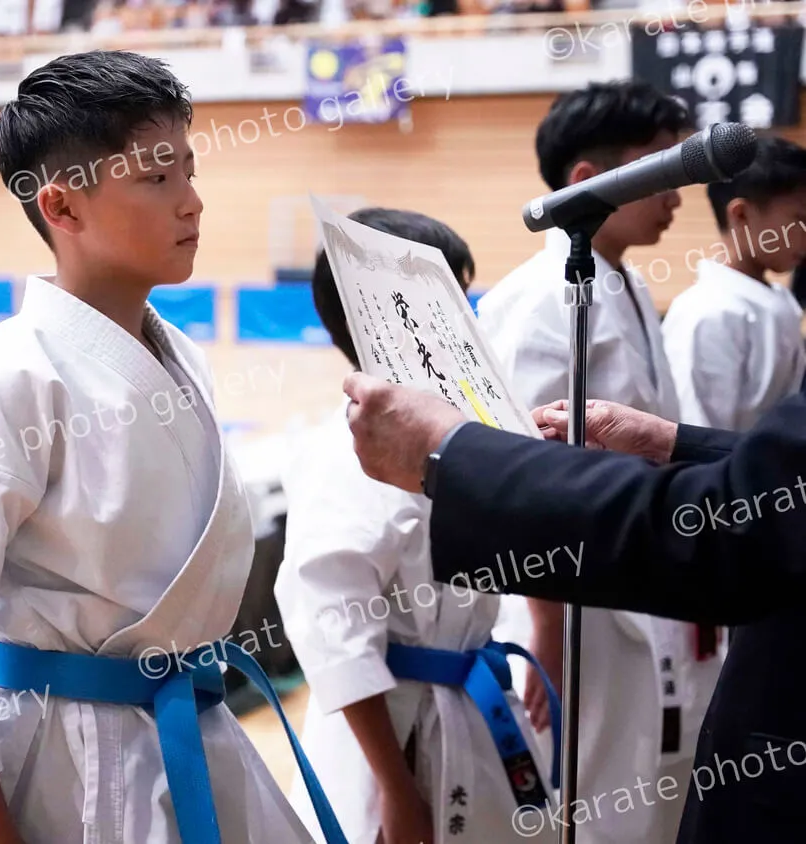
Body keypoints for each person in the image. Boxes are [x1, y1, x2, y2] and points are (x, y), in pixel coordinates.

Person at [0, 50, 342, 844]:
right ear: (62, 207)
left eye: (190, 171)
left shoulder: (181, 355)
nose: (192, 201)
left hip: (188, 723)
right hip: (62, 759)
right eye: (157, 178)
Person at [339, 372, 806, 844]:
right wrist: (673, 444)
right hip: (445, 686)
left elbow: (752, 521)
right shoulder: (338, 475)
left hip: (622, 576)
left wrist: (453, 454)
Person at [471, 79, 706, 844]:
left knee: (634, 794)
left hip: (631, 578)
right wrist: (545, 623)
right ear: (587, 180)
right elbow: (521, 471)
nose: (677, 193)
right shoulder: (542, 298)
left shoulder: (626, 280)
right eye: (660, 167)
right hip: (567, 599)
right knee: (583, 798)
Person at [277, 209, 556, 844]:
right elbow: (333, 632)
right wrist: (395, 791)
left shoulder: (463, 436)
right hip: (388, 736)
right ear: (384, 313)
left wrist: (549, 623)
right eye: (446, 301)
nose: (466, 325)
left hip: (471, 704)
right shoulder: (341, 453)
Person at [663, 135, 806, 432]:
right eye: (800, 220)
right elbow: (697, 434)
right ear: (741, 214)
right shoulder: (709, 313)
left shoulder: (774, 301)